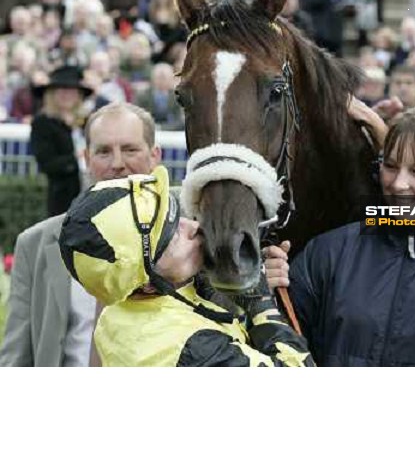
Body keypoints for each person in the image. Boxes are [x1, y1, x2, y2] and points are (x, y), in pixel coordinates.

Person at [266, 104, 415, 366]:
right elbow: (278, 348)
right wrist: (265, 296)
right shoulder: (329, 252)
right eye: (390, 166)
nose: (399, 184)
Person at [58, 165, 315, 367]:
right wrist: (262, 303)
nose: (193, 227)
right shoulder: (191, 348)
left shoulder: (117, 313)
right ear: (147, 284)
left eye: (175, 215)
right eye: (171, 237)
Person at [0, 102, 161, 366]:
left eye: (130, 149)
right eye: (104, 152)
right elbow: (16, 355)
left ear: (155, 155)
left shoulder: (187, 241)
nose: (118, 163)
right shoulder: (35, 244)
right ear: (86, 159)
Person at [30, 66, 92, 217]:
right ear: (51, 94)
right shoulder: (43, 122)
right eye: (61, 90)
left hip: (93, 192)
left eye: (72, 90)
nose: (67, 94)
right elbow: (47, 164)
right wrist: (76, 158)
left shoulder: (88, 120)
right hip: (63, 197)